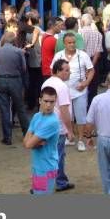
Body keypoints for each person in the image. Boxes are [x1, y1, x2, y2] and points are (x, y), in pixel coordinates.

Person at [51, 32, 94, 152]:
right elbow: (52, 71)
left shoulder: (83, 55)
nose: (72, 45)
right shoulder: (58, 56)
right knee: (67, 115)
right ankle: (70, 137)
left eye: (74, 42)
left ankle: (80, 139)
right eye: (69, 43)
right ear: (64, 44)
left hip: (80, 91)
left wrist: (85, 83)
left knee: (81, 117)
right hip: (63, 92)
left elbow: (91, 70)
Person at [41, 59, 75, 192]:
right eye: (66, 70)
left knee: (50, 155)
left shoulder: (46, 83)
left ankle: (57, 181)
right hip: (57, 127)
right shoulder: (61, 86)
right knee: (57, 156)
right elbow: (64, 110)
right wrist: (70, 130)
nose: (69, 72)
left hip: (47, 124)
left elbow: (42, 106)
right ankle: (58, 182)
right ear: (58, 71)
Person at [0, 32, 29, 145]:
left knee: (4, 109)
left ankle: (7, 137)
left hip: (1, 80)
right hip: (15, 80)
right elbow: (23, 68)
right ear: (14, 40)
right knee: (20, 108)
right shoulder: (18, 52)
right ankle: (26, 134)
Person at [23, 86, 60, 195]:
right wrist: (36, 141)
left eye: (52, 102)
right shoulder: (36, 116)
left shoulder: (52, 122)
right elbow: (26, 142)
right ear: (40, 101)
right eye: (46, 101)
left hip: (46, 169)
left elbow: (28, 144)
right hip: (38, 167)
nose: (48, 105)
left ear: (55, 102)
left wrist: (33, 138)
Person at [80, 14, 103, 105]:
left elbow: (80, 50)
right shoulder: (98, 34)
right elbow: (98, 52)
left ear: (82, 22)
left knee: (82, 86)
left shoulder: (79, 33)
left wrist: (86, 66)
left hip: (82, 62)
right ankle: (91, 107)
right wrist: (91, 66)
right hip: (94, 61)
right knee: (93, 87)